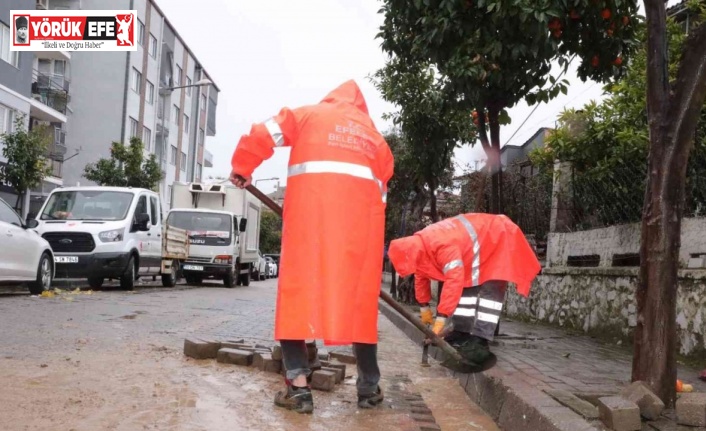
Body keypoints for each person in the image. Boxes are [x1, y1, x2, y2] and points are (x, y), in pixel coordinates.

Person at [230, 80, 394, 414]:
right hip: (358, 239)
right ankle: (369, 391)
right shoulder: (377, 142)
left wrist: (243, 167)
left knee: (296, 299)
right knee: (360, 309)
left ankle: (299, 391)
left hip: (310, 230)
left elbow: (263, 133)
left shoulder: (309, 116)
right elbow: (381, 199)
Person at [387, 213, 541, 367]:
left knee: (490, 297)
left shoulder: (442, 246)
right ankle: (461, 332)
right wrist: (424, 307)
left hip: (497, 241)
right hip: (476, 250)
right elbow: (420, 273)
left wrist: (441, 317)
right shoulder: (420, 245)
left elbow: (453, 281)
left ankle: (481, 338)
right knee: (466, 294)